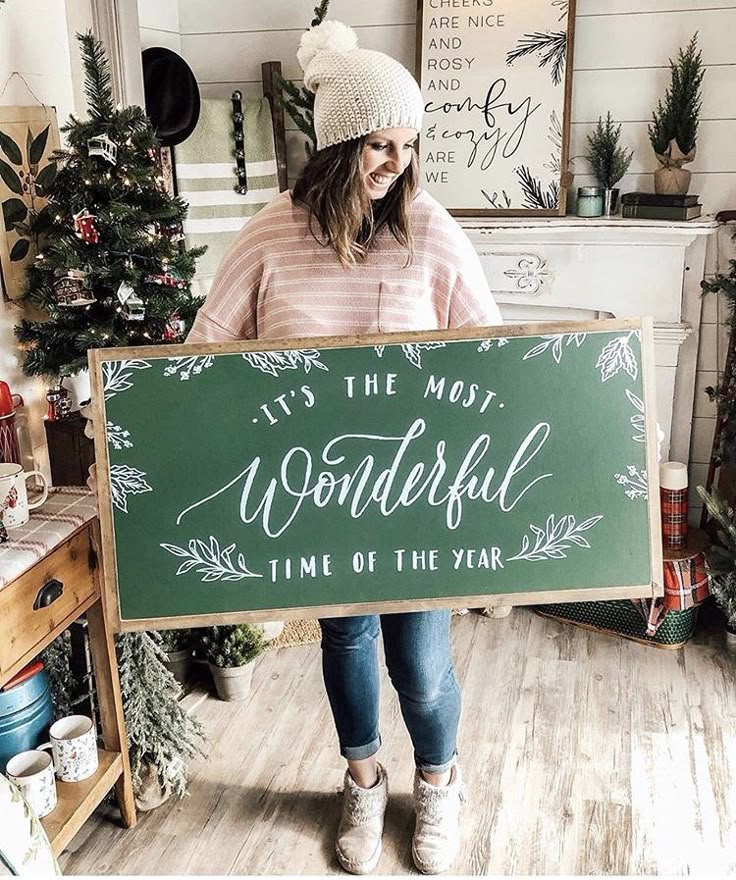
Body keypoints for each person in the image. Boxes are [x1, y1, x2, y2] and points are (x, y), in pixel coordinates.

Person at [91, 19, 503, 876]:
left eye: (407, 143)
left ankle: (438, 781)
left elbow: (491, 352)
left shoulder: (427, 227)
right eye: (379, 143)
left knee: (421, 665)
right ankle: (362, 780)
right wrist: (137, 422)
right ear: (339, 144)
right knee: (347, 644)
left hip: (415, 496)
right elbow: (205, 352)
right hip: (314, 501)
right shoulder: (273, 232)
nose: (396, 161)